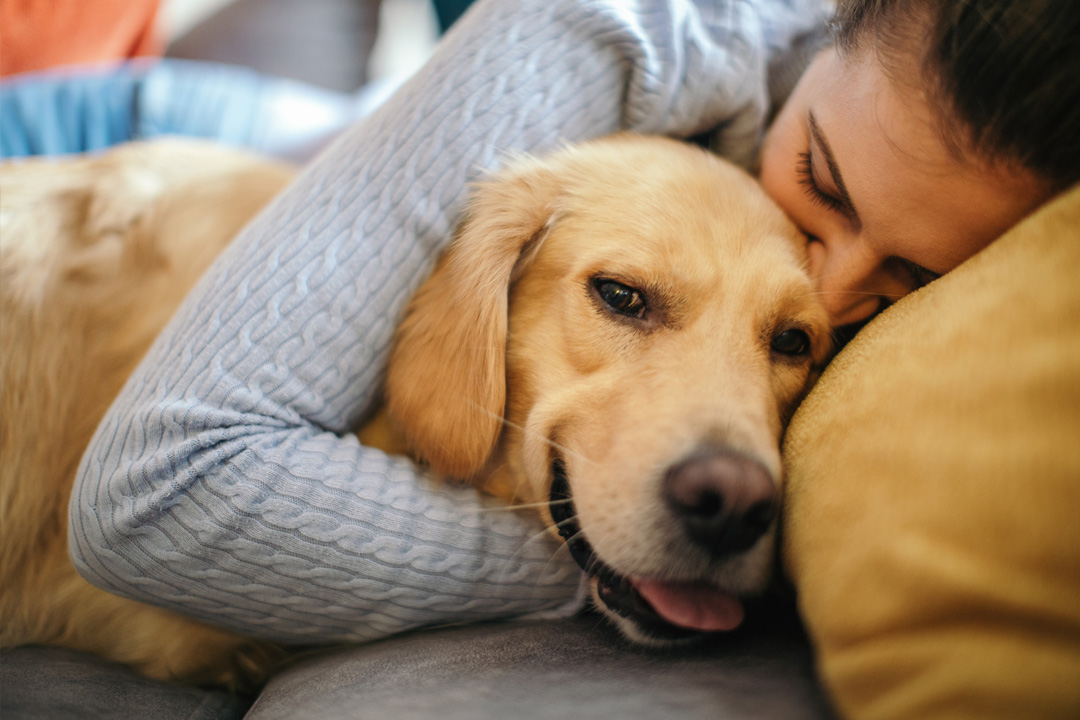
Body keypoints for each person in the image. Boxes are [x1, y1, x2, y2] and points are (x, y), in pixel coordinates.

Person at [67, 0, 1079, 648]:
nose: (839, 281)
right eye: (821, 181)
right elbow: (156, 495)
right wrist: (583, 549)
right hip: (133, 123)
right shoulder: (612, 26)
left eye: (912, 272)